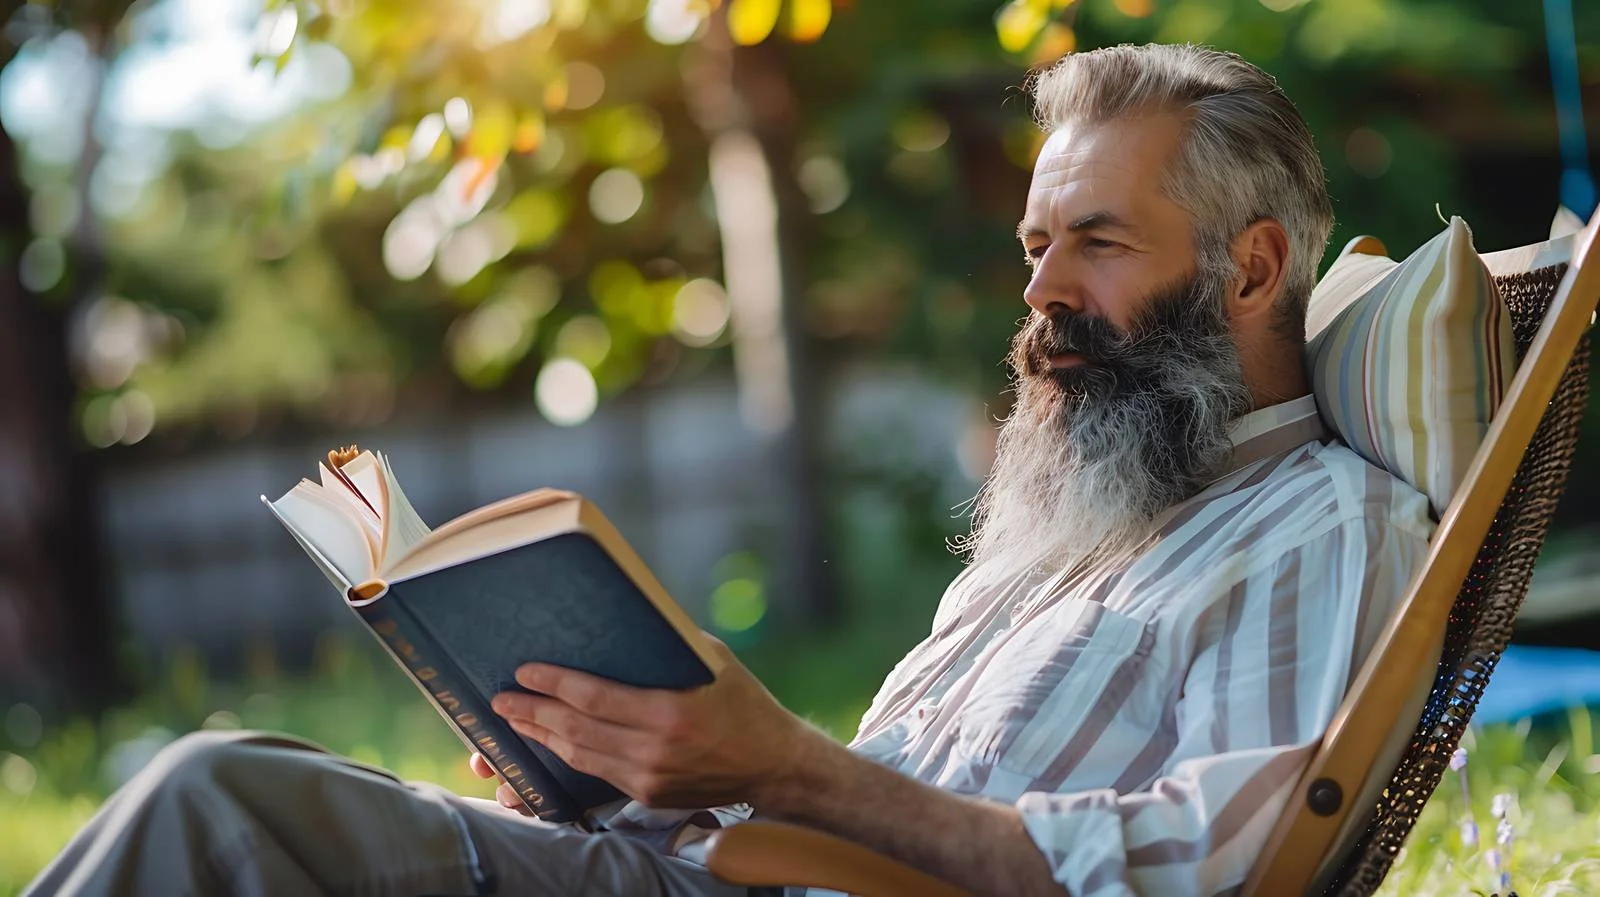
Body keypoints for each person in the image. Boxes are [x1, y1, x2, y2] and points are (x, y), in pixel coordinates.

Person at [26, 42, 1434, 897]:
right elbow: (853, 804)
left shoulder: (1319, 522)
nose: (1041, 292)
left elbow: (1235, 866)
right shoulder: (1082, 531)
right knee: (247, 780)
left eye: (1098, 243)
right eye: (1033, 248)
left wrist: (796, 775)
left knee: (221, 808)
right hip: (685, 863)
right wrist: (641, 769)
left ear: (1252, 267)